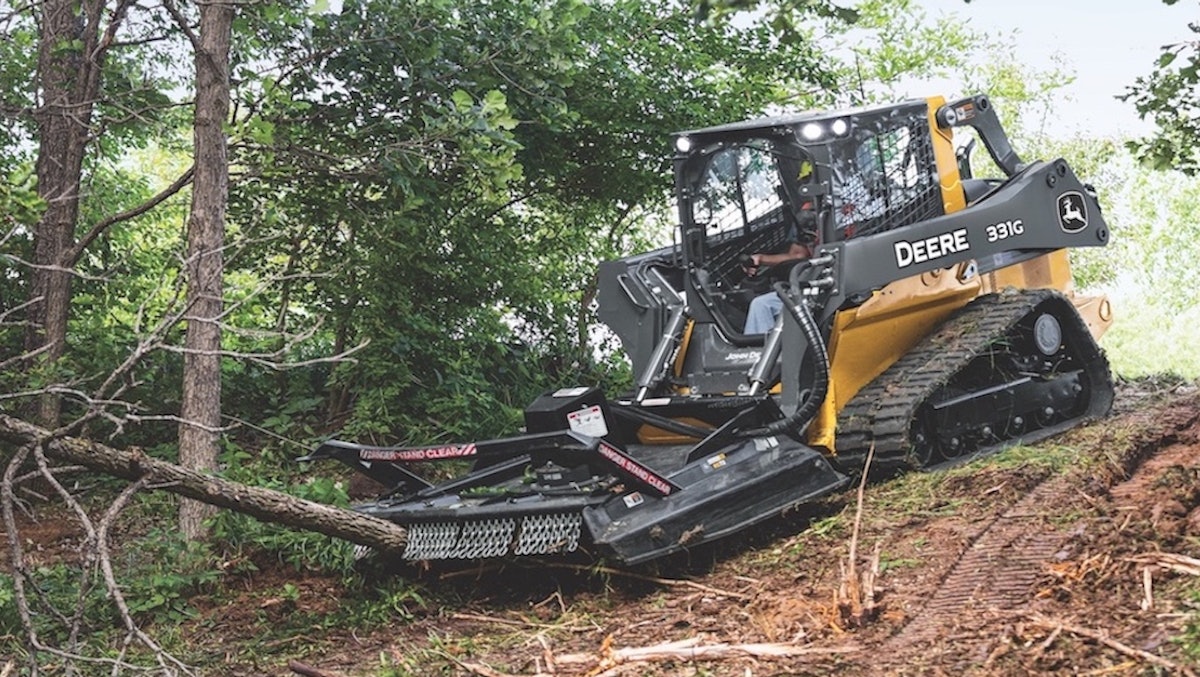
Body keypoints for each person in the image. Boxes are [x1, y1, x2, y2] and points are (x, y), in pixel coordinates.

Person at [742, 241, 813, 334]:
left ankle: (761, 346)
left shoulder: (826, 236)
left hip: (812, 289)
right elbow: (797, 254)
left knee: (761, 305)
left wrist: (762, 259)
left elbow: (799, 255)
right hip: (801, 288)